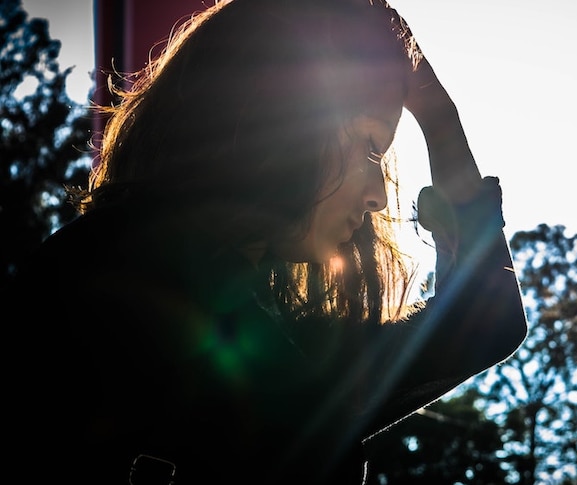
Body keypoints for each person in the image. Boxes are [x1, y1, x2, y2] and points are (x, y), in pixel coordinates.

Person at [1, 0, 527, 483]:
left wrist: (440, 116)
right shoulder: (104, 281)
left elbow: (484, 325)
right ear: (286, 120)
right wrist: (437, 117)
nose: (378, 199)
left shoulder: (273, 335)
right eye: (369, 146)